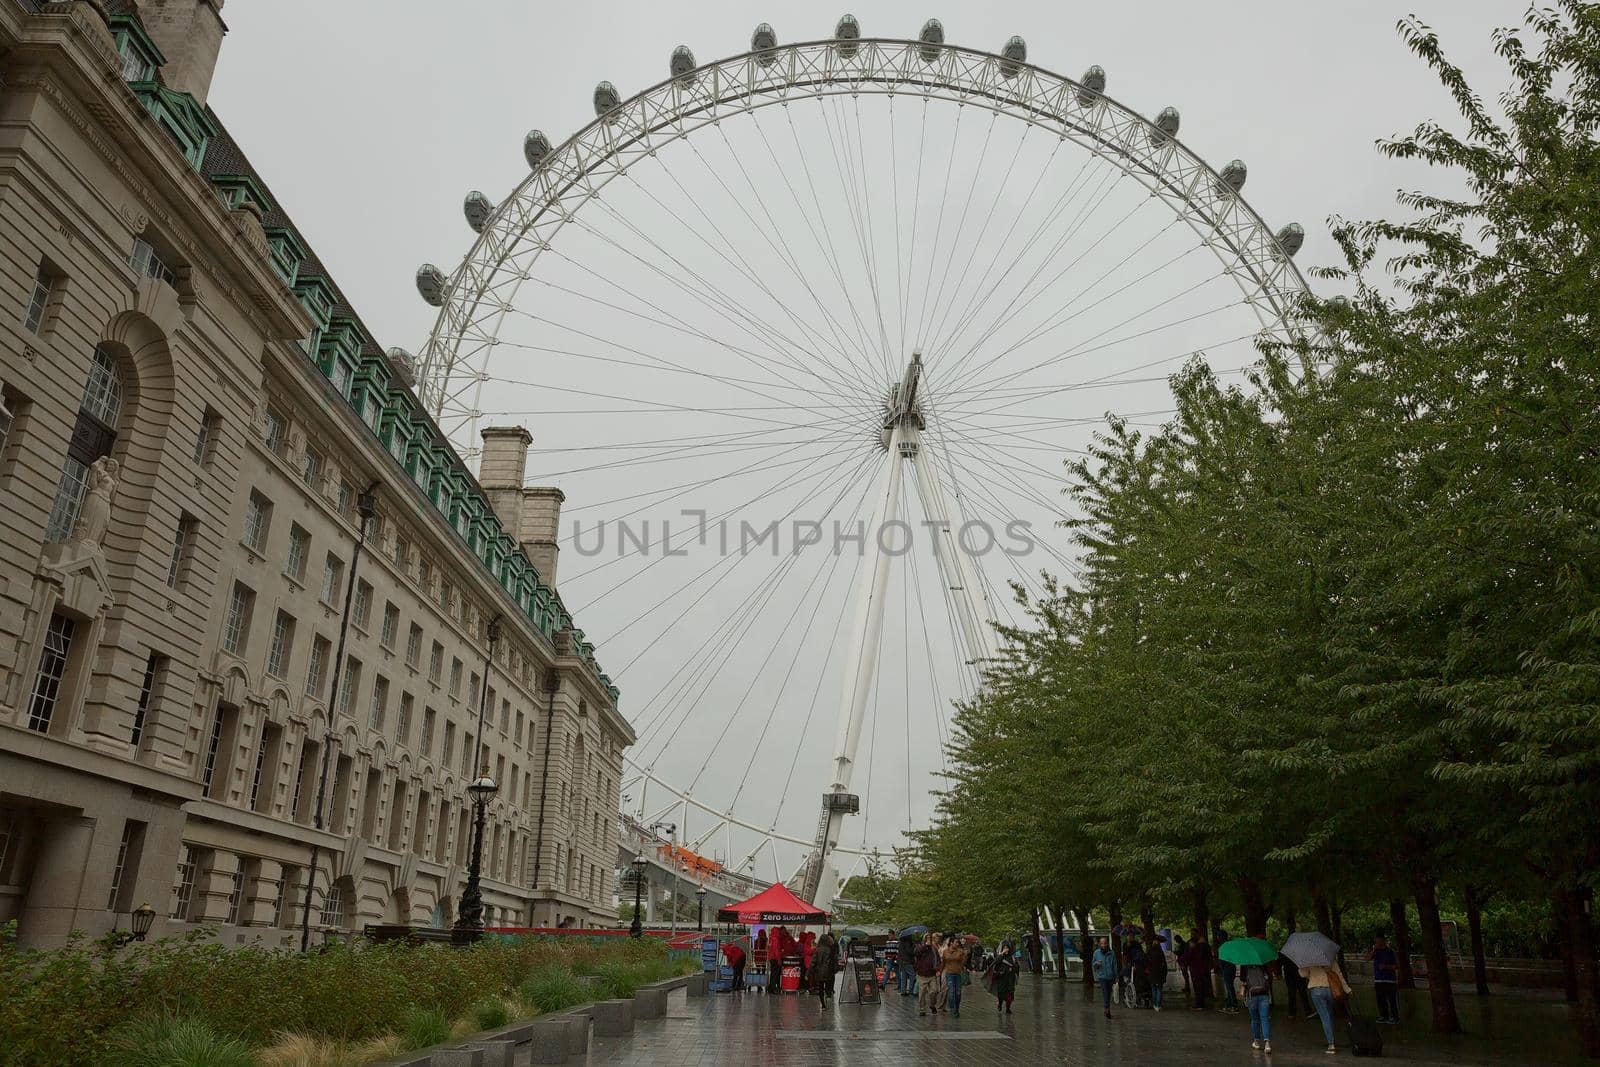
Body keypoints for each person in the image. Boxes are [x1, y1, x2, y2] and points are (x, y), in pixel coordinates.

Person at [1301, 961, 1353, 1054]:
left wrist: (1301, 966)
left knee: (1325, 1017)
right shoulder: (1330, 956)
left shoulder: (1308, 958)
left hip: (1316, 990)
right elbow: (1339, 974)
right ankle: (1332, 1040)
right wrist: (1347, 989)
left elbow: (1303, 974)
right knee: (1330, 1015)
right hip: (1330, 989)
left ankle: (1331, 1044)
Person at [1239, 957, 1274, 1053]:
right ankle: (1267, 1044)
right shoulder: (1263, 962)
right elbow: (1269, 977)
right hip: (1264, 994)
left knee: (1254, 1019)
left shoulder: (1245, 963)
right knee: (1264, 1018)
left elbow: (1243, 979)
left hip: (1252, 995)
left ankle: (1257, 1042)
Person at [1368, 935, 1400, 1024]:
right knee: (1380, 999)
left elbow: (1397, 966)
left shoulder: (1390, 952)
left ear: (1383, 940)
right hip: (1378, 980)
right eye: (1375, 941)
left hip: (1390, 980)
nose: (1376, 942)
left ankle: (1394, 1017)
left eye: (1378, 940)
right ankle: (1383, 1016)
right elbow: (1367, 958)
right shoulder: (1375, 952)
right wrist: (1374, 950)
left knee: (1392, 999)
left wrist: (1386, 967)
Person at [988, 937, 1019, 1013]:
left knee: (1010, 993)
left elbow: (1017, 967)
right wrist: (1001, 954)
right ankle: (1000, 1004)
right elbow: (995, 963)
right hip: (1001, 977)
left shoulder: (1012, 957)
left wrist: (1013, 969)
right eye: (1004, 948)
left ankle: (1008, 1008)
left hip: (1010, 978)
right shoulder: (1000, 956)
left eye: (1007, 948)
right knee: (1001, 993)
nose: (1006, 949)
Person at [810, 932, 839, 1010]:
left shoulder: (817, 949)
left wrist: (809, 972)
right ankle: (827, 998)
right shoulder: (830, 949)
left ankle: (823, 1004)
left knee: (821, 988)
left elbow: (813, 962)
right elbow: (833, 960)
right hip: (828, 971)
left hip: (819, 971)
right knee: (828, 987)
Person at [914, 934, 941, 1016]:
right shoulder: (920, 946)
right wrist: (925, 946)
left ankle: (932, 1005)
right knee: (922, 993)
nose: (929, 940)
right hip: (922, 974)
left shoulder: (934, 949)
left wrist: (938, 969)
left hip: (932, 973)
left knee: (934, 991)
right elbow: (916, 953)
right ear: (925, 939)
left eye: (930, 939)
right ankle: (922, 1009)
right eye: (928, 938)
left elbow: (938, 959)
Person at [941, 935, 968, 1017]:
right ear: (951, 943)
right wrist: (940, 971)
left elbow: (963, 963)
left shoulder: (960, 951)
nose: (957, 944)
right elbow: (943, 962)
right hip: (949, 973)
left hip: (958, 974)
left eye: (958, 942)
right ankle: (952, 1009)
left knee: (958, 993)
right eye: (956, 942)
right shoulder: (945, 951)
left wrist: (965, 956)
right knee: (951, 992)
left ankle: (957, 1008)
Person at [1092, 936, 1119, 1018]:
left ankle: (1106, 1008)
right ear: (1100, 944)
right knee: (1105, 993)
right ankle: (1107, 1009)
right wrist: (1096, 963)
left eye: (1105, 943)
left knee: (1109, 993)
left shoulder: (1112, 953)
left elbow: (1115, 965)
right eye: (1102, 943)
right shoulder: (1096, 953)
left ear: (1107, 944)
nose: (1103, 945)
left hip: (1111, 976)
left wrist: (1116, 976)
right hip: (1102, 977)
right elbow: (1093, 964)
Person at [1279, 950, 1310, 1019]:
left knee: (1291, 994)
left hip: (1289, 976)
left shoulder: (1283, 952)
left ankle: (1292, 1012)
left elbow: (1280, 963)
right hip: (1299, 975)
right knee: (1303, 993)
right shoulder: (1299, 951)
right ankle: (1307, 1011)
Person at [1188, 930, 1213, 1010]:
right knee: (1200, 987)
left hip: (1198, 970)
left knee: (1198, 987)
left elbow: (1198, 958)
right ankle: (1201, 1003)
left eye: (1193, 934)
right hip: (1203, 970)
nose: (1191, 935)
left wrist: (1193, 948)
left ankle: (1199, 1004)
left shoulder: (1200, 946)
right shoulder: (1205, 945)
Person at [1144, 933, 1169, 1011]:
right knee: (1159, 989)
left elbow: (1146, 962)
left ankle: (1155, 1004)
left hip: (1151, 974)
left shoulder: (1149, 952)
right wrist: (1165, 973)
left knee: (1153, 989)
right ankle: (1158, 1005)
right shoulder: (1161, 953)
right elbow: (1164, 964)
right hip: (1159, 974)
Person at [1216, 932, 1240, 1014]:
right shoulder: (1230, 945)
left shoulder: (1222, 946)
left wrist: (1221, 967)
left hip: (1226, 968)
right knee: (1230, 987)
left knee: (1229, 987)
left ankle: (1234, 1005)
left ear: (1219, 937)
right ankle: (1229, 1005)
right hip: (1232, 967)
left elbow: (1221, 959)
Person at [898, 928, 919, 996]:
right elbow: (910, 952)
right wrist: (914, 947)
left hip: (902, 961)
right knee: (912, 975)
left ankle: (903, 991)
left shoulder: (901, 942)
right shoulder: (907, 942)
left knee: (904, 976)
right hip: (907, 961)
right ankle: (911, 990)